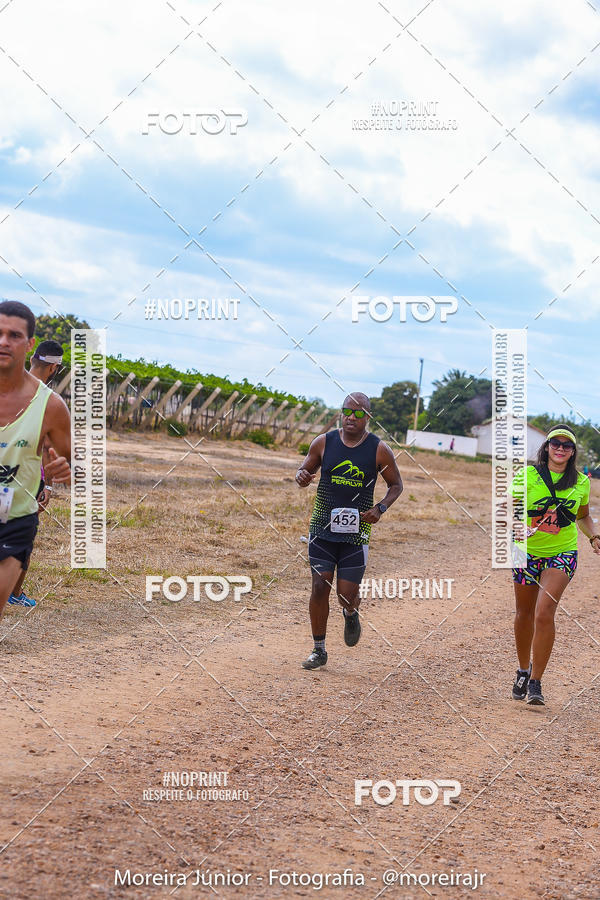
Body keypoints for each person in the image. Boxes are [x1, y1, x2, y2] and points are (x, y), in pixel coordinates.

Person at [296, 392, 403, 669]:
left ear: (368, 417)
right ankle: (319, 650)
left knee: (345, 593)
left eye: (358, 413)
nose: (350, 417)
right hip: (322, 527)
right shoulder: (324, 442)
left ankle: (351, 611)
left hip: (356, 534)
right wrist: (302, 476)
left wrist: (380, 508)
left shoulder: (379, 449)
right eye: (346, 411)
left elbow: (396, 486)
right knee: (320, 585)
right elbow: (304, 472)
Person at [511, 424, 600, 705]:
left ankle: (536, 682)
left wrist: (594, 536)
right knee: (524, 613)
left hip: (561, 552)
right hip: (525, 551)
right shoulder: (527, 475)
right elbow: (508, 509)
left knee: (544, 611)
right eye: (555, 443)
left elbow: (582, 516)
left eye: (567, 445)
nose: (560, 448)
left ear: (573, 452)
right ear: (547, 447)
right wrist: (515, 527)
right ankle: (523, 670)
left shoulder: (582, 482)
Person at [0, 301, 71, 620]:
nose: (4, 341)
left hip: (14, 519)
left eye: (13, 335)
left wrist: (63, 472)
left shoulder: (52, 407)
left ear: (30, 348)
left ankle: (14, 593)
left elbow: (70, 462)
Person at [8, 338, 65, 607]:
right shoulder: (48, 401)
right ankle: (15, 593)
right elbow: (49, 448)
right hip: (27, 481)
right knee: (23, 537)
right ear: (54, 369)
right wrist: (49, 487)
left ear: (33, 359)